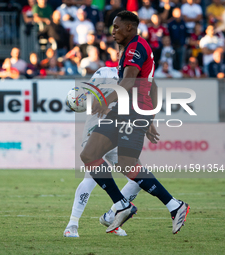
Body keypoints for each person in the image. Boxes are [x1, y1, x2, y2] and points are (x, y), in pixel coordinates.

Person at [80, 11, 189, 234]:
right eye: (112, 27)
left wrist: (105, 101)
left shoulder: (136, 48)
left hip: (133, 111)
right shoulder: (131, 49)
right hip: (128, 110)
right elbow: (151, 84)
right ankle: (127, 205)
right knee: (94, 156)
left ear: (130, 28)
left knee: (124, 163)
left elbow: (130, 81)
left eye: (117, 27)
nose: (113, 31)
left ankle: (171, 205)